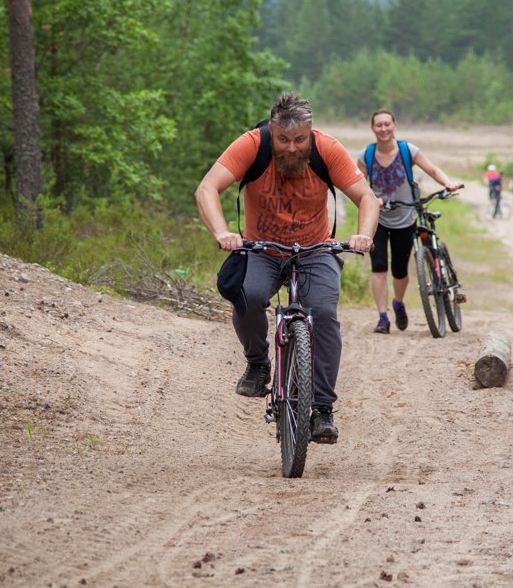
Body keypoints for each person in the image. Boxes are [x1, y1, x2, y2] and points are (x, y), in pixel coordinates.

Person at [194, 93, 379, 445]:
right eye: (283, 139)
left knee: (323, 313)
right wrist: (222, 232)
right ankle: (259, 362)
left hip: (315, 249)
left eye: (299, 140)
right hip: (260, 248)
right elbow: (207, 189)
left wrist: (363, 235)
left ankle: (322, 408)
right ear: (272, 130)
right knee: (248, 295)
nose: (291, 149)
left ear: (310, 132)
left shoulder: (327, 149)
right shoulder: (252, 145)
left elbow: (366, 198)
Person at [358, 108, 462, 334]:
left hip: (406, 218)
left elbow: (432, 169)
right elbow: (357, 185)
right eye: (379, 125)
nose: (383, 129)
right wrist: (373, 200)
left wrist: (448, 183)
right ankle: (383, 317)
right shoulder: (365, 155)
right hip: (378, 219)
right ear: (373, 128)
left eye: (387, 124)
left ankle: (398, 302)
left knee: (400, 271)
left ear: (394, 125)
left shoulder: (408, 150)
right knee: (378, 268)